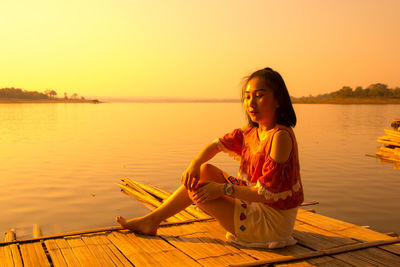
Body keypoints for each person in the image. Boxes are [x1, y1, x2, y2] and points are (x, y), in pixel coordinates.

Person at [116, 67, 304, 248]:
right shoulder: (252, 131)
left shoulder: (280, 136)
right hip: (256, 203)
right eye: (247, 97)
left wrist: (222, 189)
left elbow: (267, 194)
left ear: (278, 100)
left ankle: (151, 221)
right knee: (204, 171)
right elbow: (216, 145)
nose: (251, 104)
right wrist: (195, 163)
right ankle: (152, 220)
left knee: (196, 192)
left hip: (271, 223)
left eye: (259, 96)